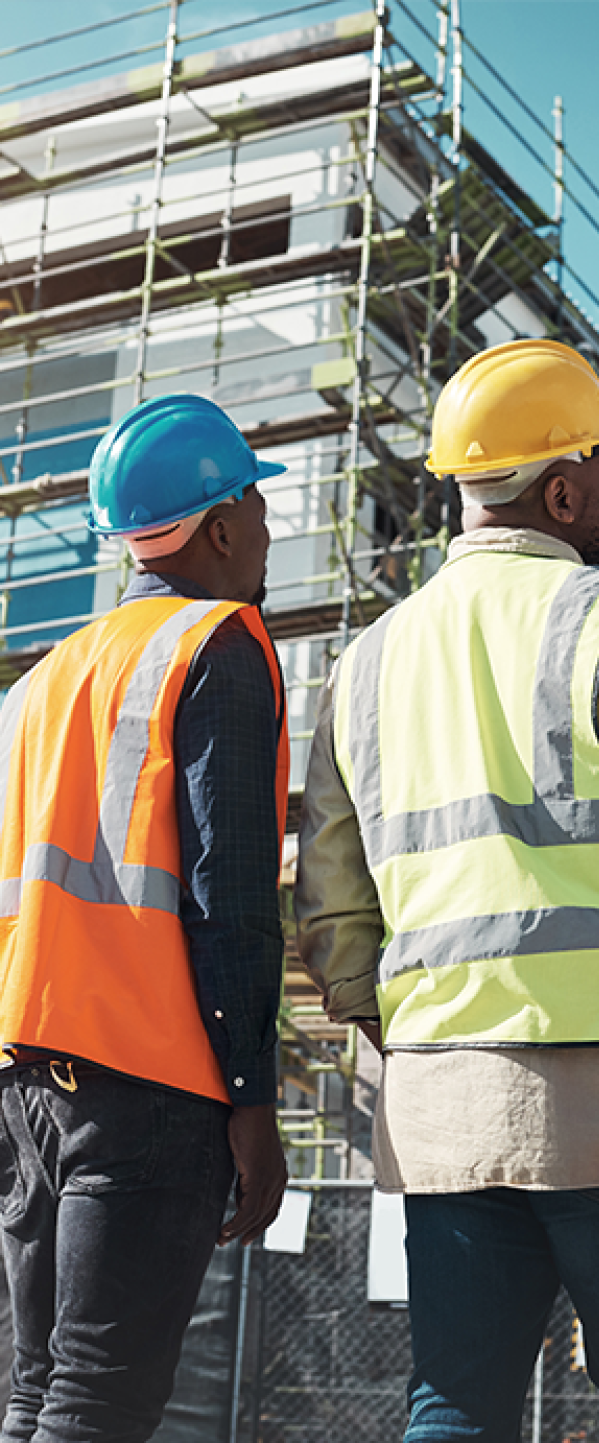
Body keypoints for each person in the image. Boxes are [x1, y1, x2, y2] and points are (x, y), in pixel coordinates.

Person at [296, 337, 599, 1442]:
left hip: (440, 1112)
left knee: (455, 1407)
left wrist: (417, 1048)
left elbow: (333, 913)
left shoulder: (365, 664)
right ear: (562, 489)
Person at [0, 395, 290, 1441]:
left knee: (37, 1392)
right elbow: (232, 895)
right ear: (217, 525)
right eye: (256, 500)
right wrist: (252, 1098)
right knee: (98, 1399)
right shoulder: (217, 642)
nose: (267, 525)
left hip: (27, 1081)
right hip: (151, 1080)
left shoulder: (40, 685)